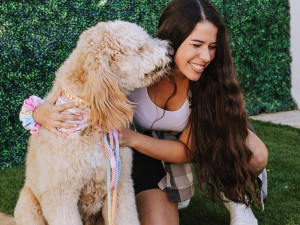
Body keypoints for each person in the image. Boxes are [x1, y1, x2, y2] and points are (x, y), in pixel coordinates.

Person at [23, 0, 268, 224]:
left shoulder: (209, 80)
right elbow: (83, 85)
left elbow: (187, 150)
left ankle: (236, 198)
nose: (205, 57)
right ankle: (169, 189)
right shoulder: (138, 66)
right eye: (196, 45)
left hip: (204, 133)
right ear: (175, 38)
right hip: (149, 147)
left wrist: (131, 138)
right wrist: (38, 113)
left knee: (255, 154)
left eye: (212, 47)